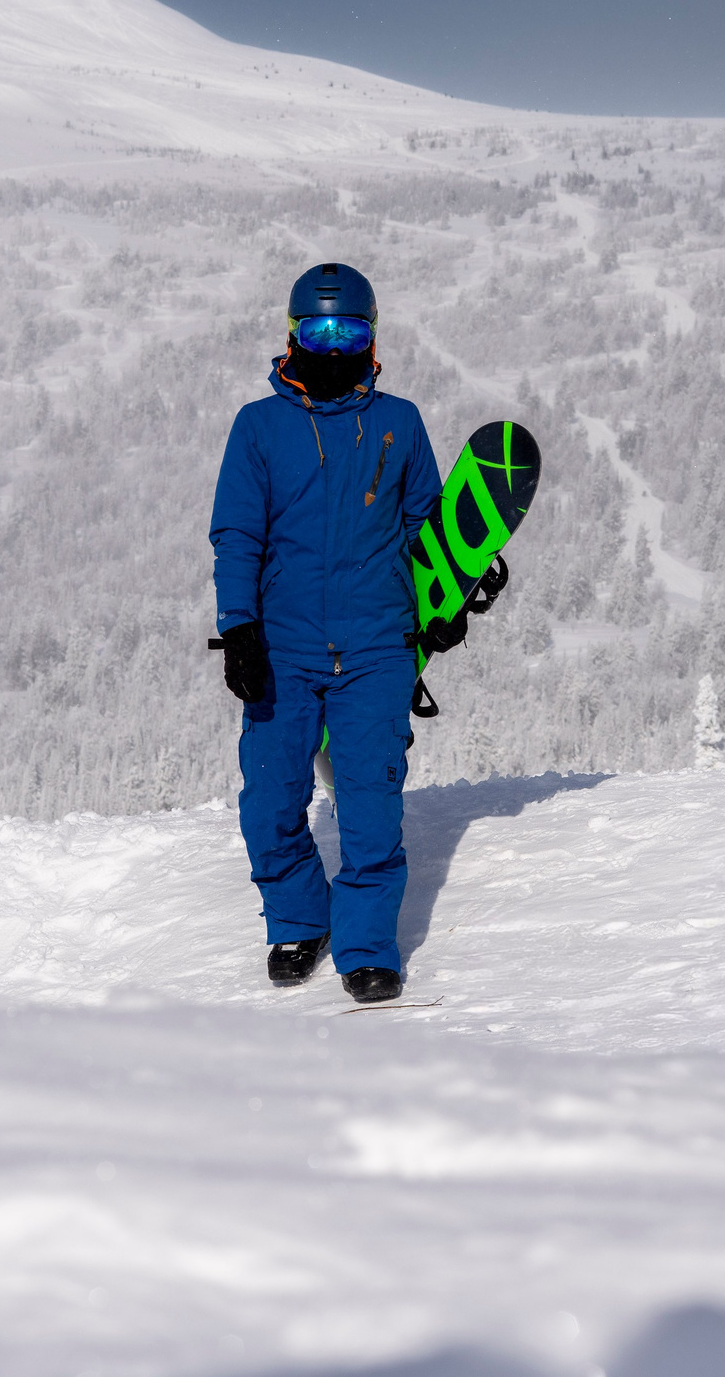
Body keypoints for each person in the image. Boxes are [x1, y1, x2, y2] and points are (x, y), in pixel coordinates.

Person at [209, 263, 453, 1003]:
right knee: (270, 800)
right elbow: (237, 535)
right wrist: (238, 628)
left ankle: (367, 945)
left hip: (376, 645)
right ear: (293, 336)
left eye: (347, 331)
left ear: (371, 337)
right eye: (318, 331)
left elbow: (427, 529)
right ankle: (297, 919)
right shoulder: (259, 426)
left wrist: (445, 606)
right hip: (283, 647)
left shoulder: (399, 422)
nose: (334, 346)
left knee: (371, 807)